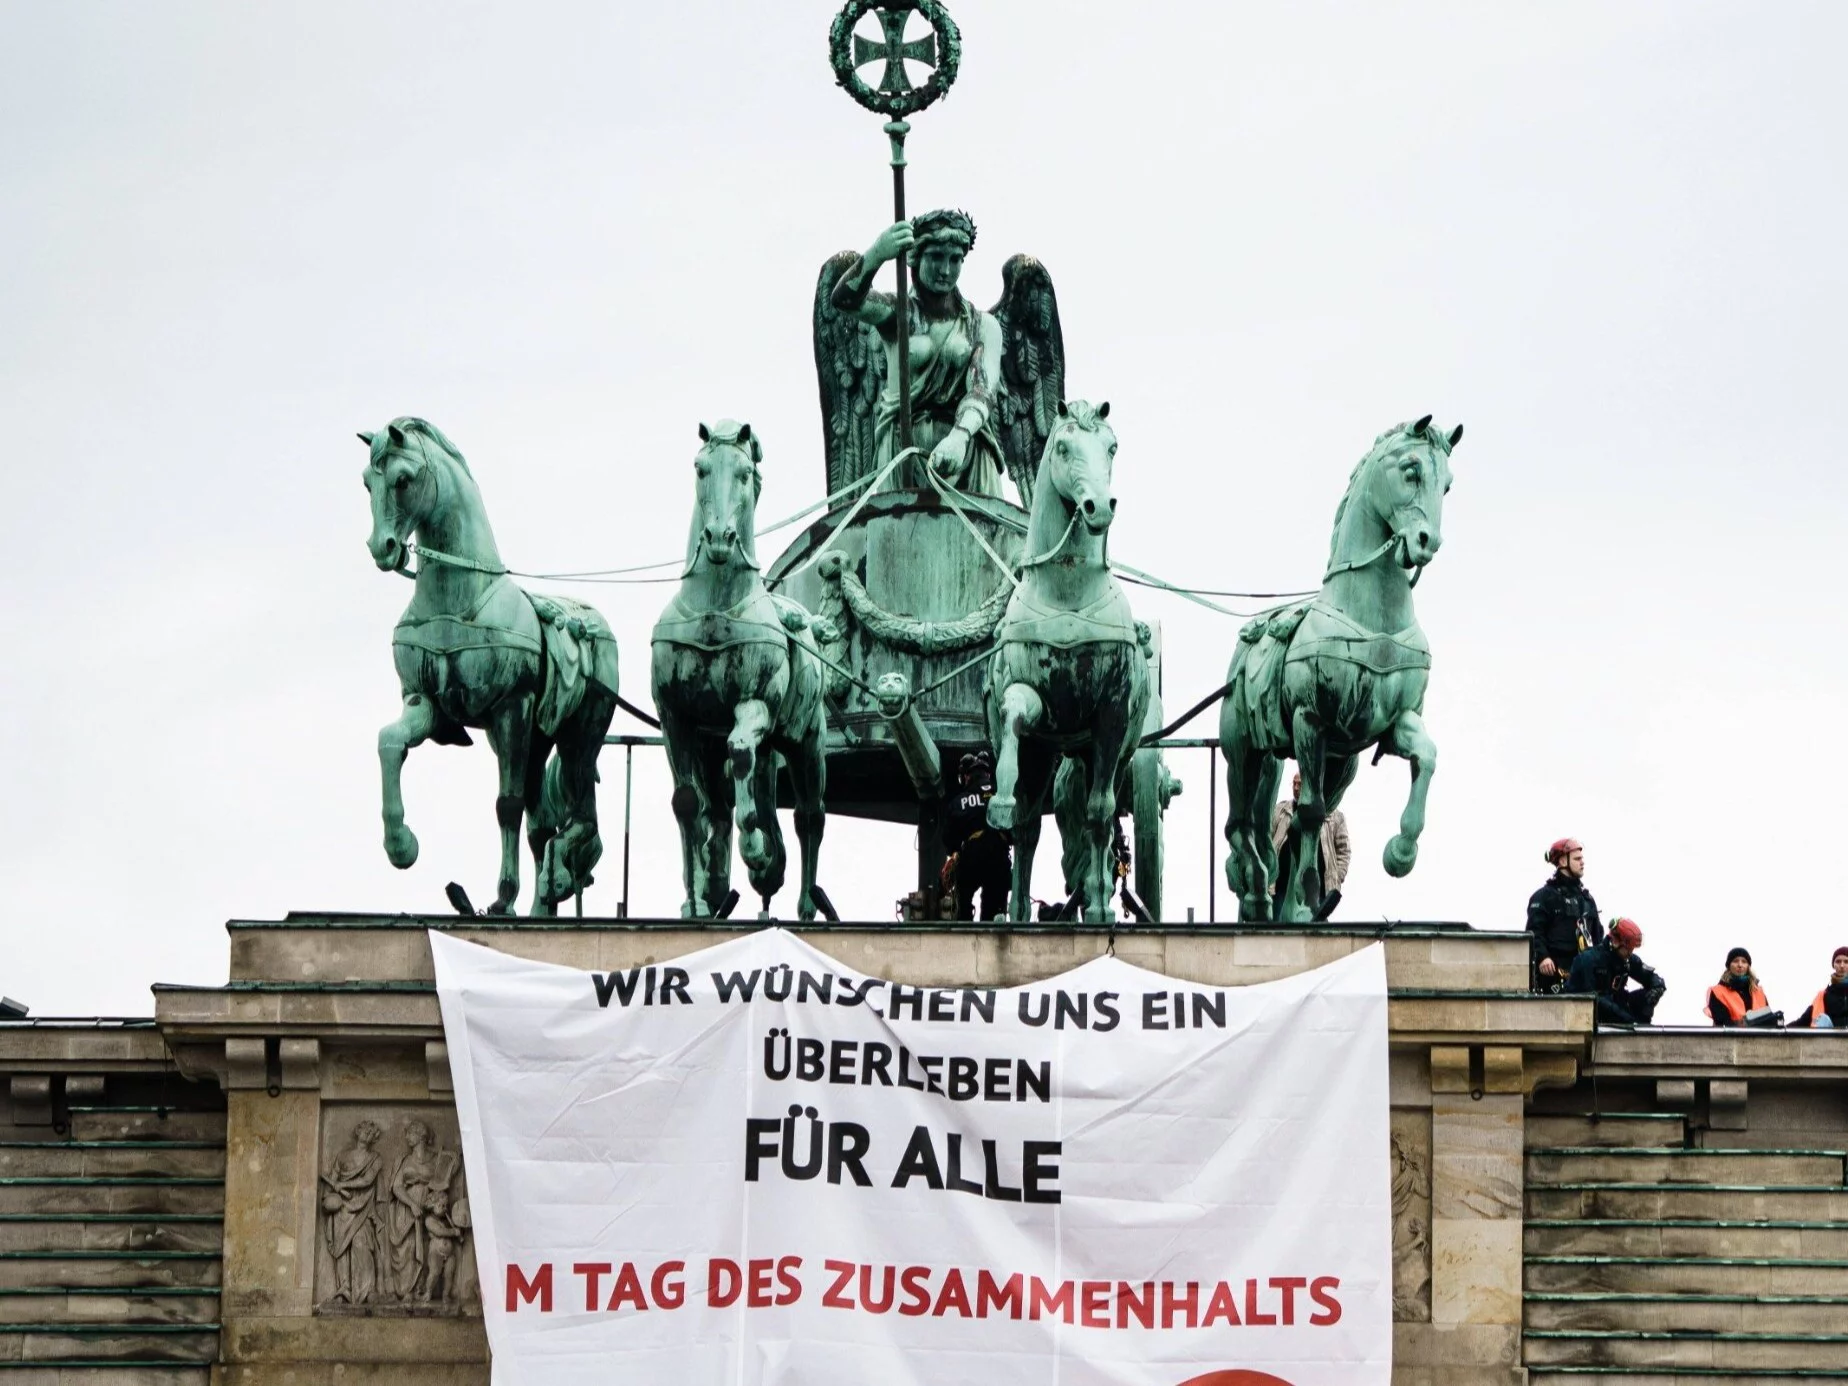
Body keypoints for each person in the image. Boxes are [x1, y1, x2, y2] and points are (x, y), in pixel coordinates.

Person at [831, 210, 1007, 496]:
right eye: (936, 256)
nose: (945, 269)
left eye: (955, 259)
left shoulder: (982, 326)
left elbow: (982, 390)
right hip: (903, 454)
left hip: (967, 456)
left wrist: (959, 437)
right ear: (915, 258)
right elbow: (844, 300)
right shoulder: (895, 315)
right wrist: (878, 252)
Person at [1526, 838, 1604, 993]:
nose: (1582, 863)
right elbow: (1534, 932)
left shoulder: (1587, 900)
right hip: (1553, 974)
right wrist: (1543, 957)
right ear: (1562, 861)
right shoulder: (1544, 897)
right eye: (1577, 859)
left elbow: (1598, 937)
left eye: (1582, 859)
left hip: (1584, 974)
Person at [1271, 772, 1351, 918]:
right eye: (1293, 784)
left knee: (1314, 930)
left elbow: (1344, 850)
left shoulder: (1334, 815)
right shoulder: (1281, 810)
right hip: (1281, 884)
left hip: (1319, 888)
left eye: (1299, 784)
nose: (1295, 788)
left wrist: (1336, 876)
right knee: (1277, 931)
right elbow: (1268, 839)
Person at [943, 751, 1010, 921]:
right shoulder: (1002, 794)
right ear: (988, 774)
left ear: (966, 777)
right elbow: (1015, 831)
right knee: (994, 913)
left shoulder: (959, 801)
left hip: (972, 855)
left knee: (962, 903)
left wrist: (956, 853)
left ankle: (965, 928)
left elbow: (949, 841)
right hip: (999, 855)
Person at [1566, 917, 1665, 1027]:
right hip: (1591, 1014)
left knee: (1646, 995)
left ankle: (1642, 1029)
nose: (1630, 953)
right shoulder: (1588, 960)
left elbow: (1650, 976)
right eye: (1628, 949)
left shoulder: (1626, 959)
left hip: (1616, 1007)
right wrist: (1628, 1019)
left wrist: (1657, 987)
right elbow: (1591, 999)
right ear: (1616, 941)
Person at [1707, 947, 1779, 1027]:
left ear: (1748, 966)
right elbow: (1722, 1023)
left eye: (1744, 962)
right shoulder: (1717, 992)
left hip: (1760, 1038)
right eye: (1735, 961)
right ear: (1729, 966)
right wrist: (1746, 1024)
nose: (1740, 965)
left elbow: (1768, 1020)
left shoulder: (1758, 992)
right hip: (1731, 1038)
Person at [1788, 946, 1848, 1029]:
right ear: (1833, 965)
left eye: (1846, 962)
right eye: (1838, 961)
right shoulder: (1824, 995)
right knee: (1823, 1020)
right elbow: (1803, 1021)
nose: (1842, 965)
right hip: (1830, 1040)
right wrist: (1782, 1029)